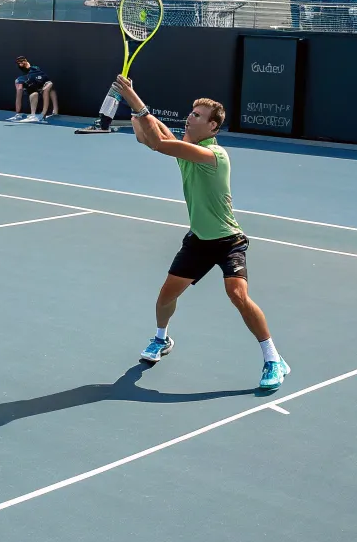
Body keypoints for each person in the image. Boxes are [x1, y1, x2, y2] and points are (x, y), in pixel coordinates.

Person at [113, 75, 290, 391]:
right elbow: (150, 138)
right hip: (198, 241)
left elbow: (158, 140)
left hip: (228, 241)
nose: (189, 117)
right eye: (191, 113)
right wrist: (136, 113)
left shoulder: (214, 156)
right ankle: (161, 339)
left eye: (197, 115)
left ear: (213, 127)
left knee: (237, 294)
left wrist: (135, 102)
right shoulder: (187, 152)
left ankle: (273, 359)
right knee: (166, 297)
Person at [11, 56, 58, 122]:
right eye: (19, 63)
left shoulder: (35, 69)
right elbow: (19, 93)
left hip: (45, 83)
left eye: (22, 61)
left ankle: (44, 114)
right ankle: (24, 114)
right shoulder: (22, 78)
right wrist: (18, 113)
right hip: (35, 86)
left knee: (48, 90)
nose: (20, 64)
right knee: (34, 94)